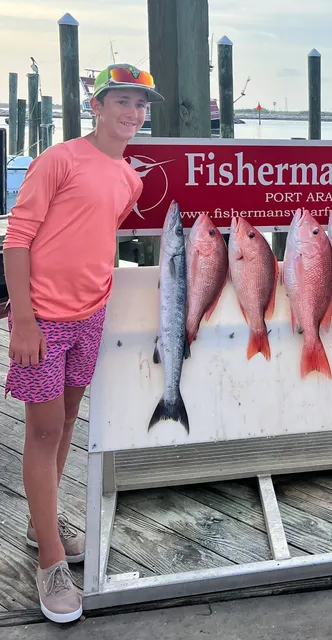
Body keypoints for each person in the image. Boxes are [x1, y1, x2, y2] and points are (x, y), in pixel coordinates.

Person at [3, 64, 163, 623]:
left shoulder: (130, 177)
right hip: (43, 321)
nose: (133, 114)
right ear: (96, 106)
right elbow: (18, 238)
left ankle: (37, 522)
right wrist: (23, 319)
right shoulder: (60, 159)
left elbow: (98, 232)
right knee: (43, 431)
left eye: (141, 105)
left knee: (68, 423)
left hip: (91, 315)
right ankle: (50, 562)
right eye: (121, 101)